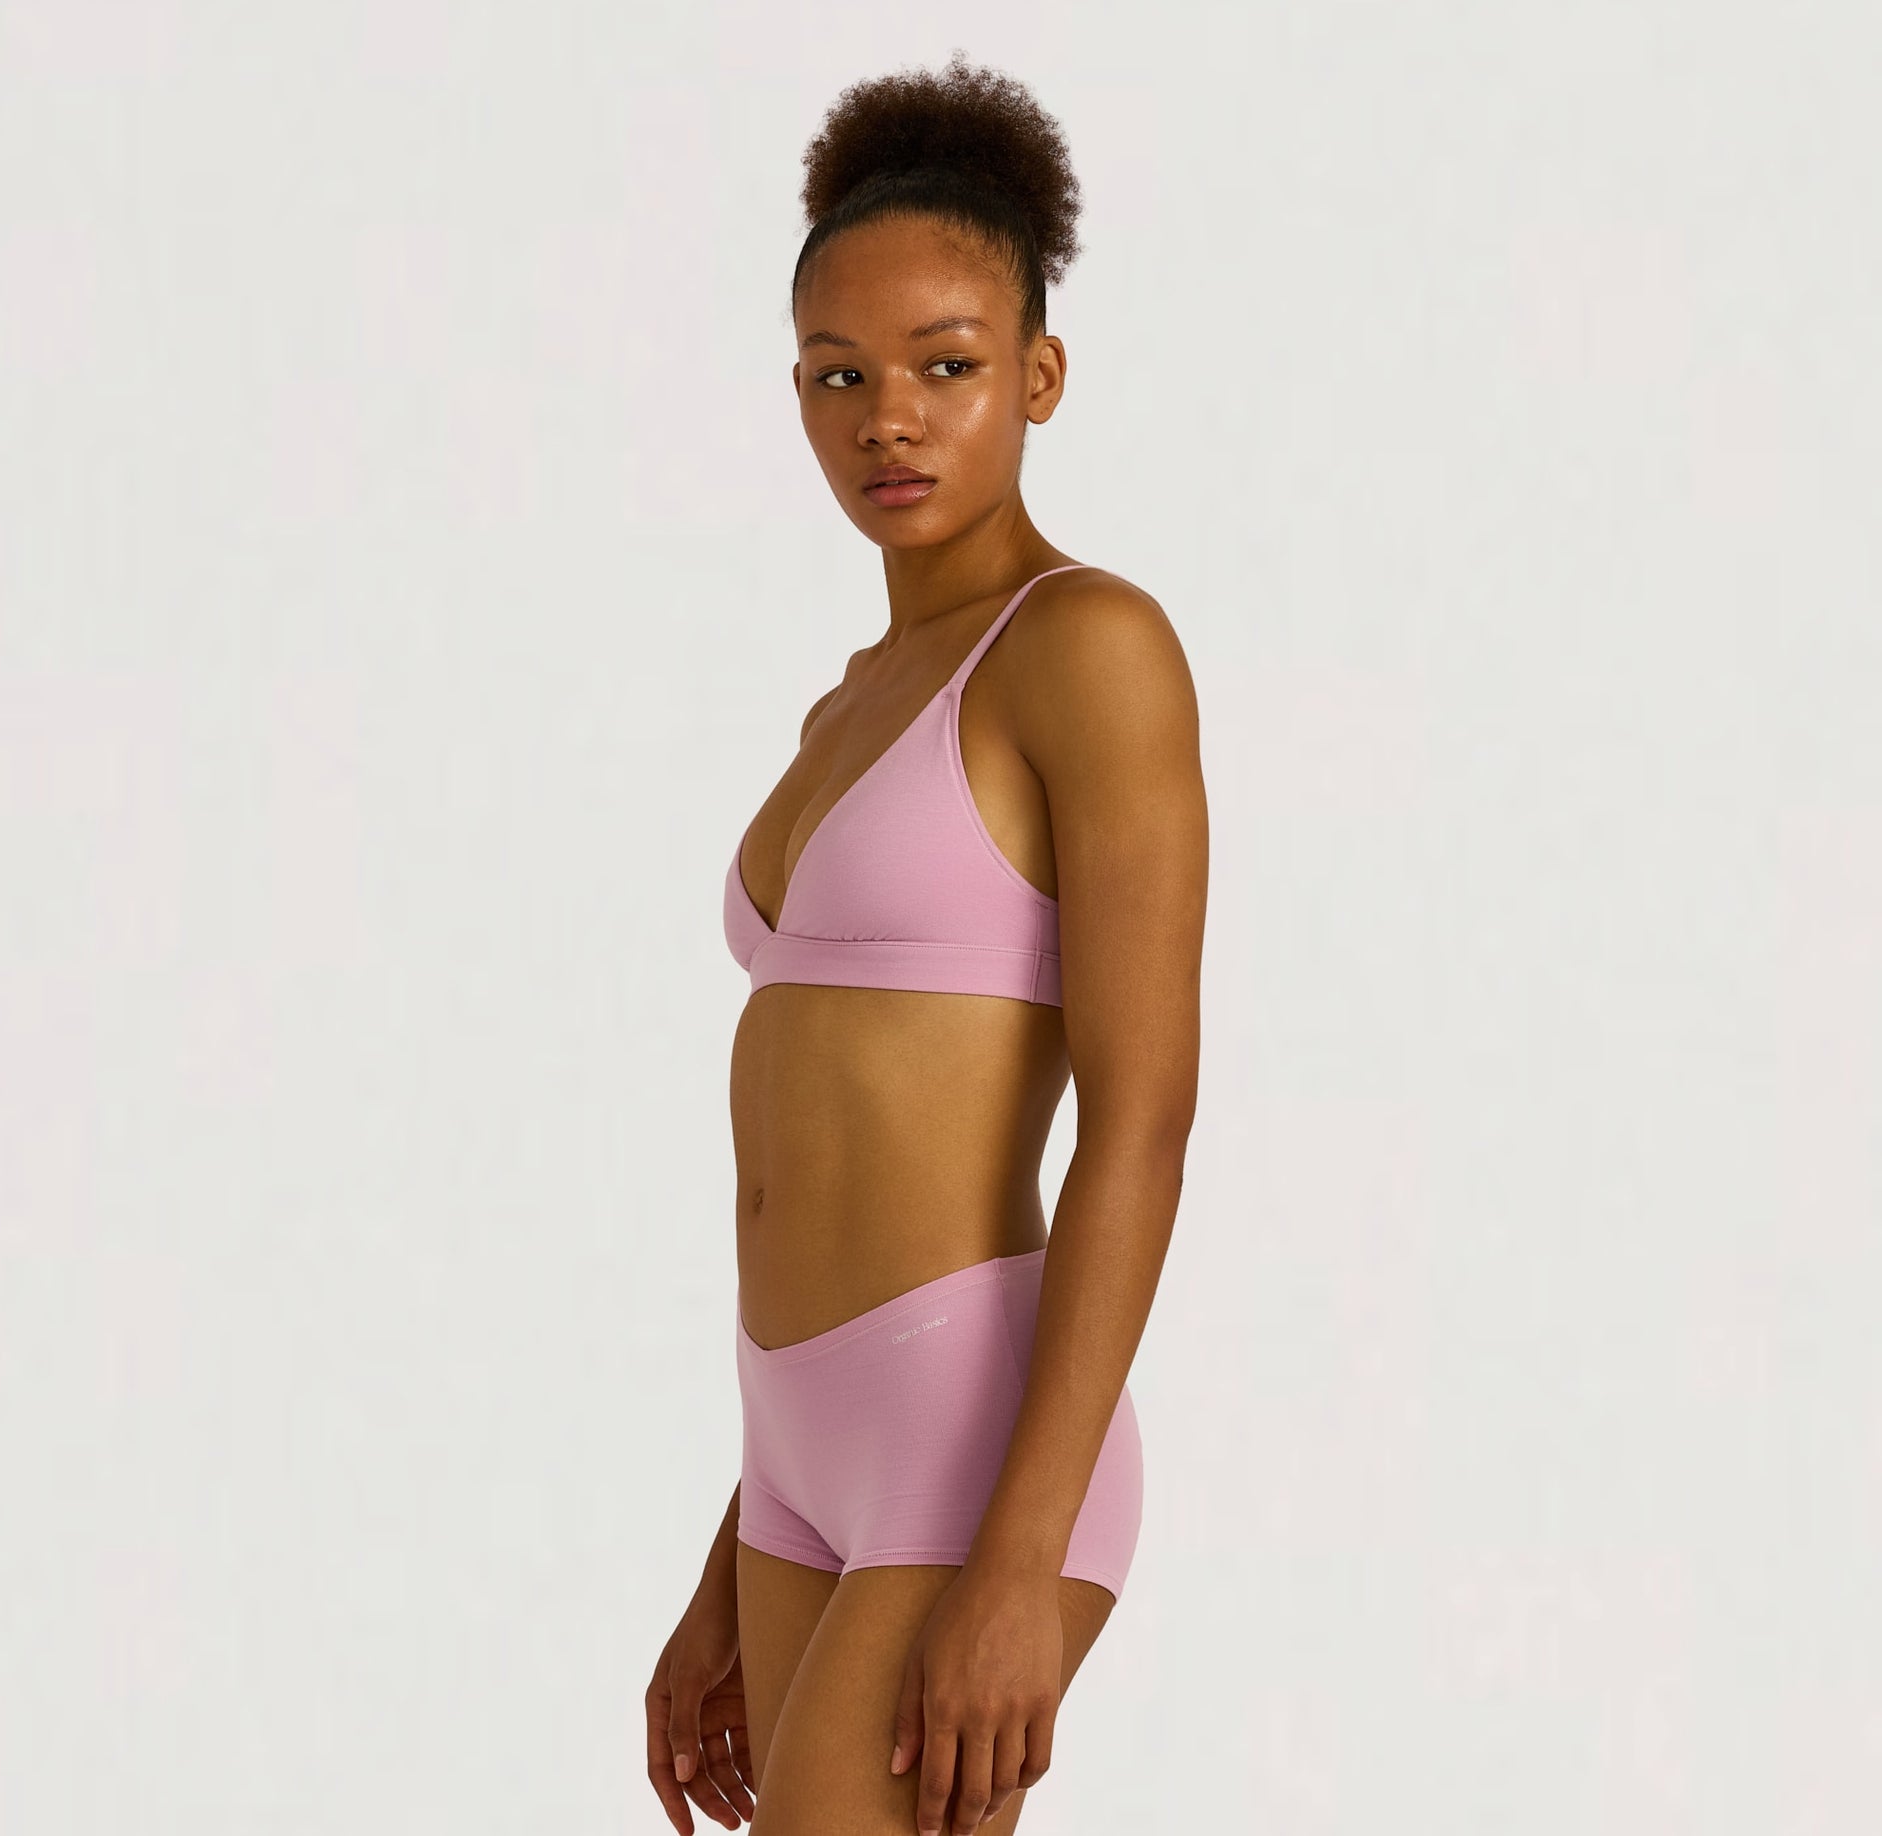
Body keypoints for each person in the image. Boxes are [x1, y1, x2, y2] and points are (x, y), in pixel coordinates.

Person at [646, 51, 1207, 1836]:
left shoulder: (1087, 648)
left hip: (978, 1450)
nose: (888, 419)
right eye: (841, 375)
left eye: (946, 366)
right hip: (793, 1453)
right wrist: (725, 1559)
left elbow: (1140, 1118)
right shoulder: (848, 701)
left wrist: (1018, 1560)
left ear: (1038, 374)